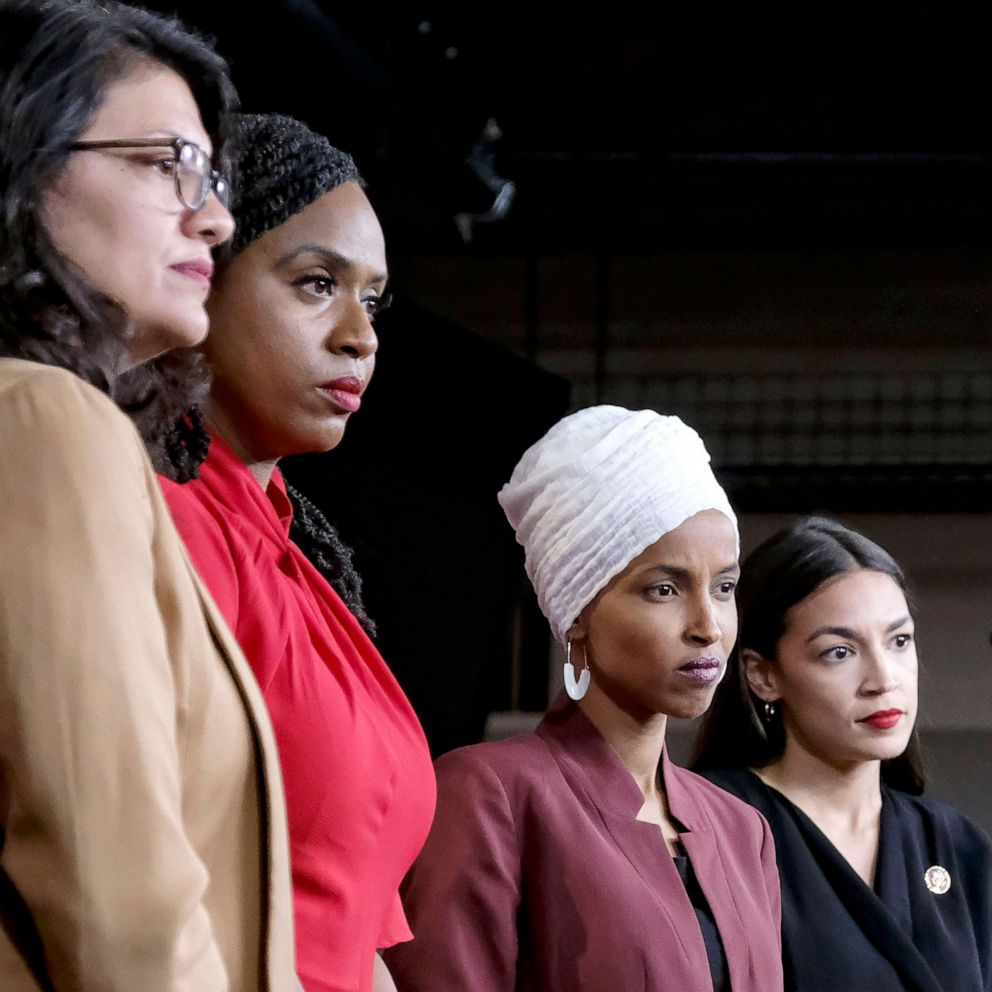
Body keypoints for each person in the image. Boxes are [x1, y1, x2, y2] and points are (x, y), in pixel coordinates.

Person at [0, 3, 296, 990]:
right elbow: (113, 895)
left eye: (211, 174)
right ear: (21, 163)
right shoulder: (45, 425)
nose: (213, 214)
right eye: (165, 160)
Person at [160, 113, 435, 992]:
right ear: (200, 277)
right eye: (317, 284)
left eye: (374, 298)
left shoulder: (299, 554)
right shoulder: (167, 520)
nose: (363, 334)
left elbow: (359, 934)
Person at [385, 405, 783, 992]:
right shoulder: (490, 794)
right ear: (577, 614)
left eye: (723, 587)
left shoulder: (742, 830)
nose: (708, 626)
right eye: (664, 589)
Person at [693, 515, 992, 992]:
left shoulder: (957, 845)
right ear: (763, 675)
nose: (882, 679)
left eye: (899, 641)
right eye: (839, 652)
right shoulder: (713, 826)